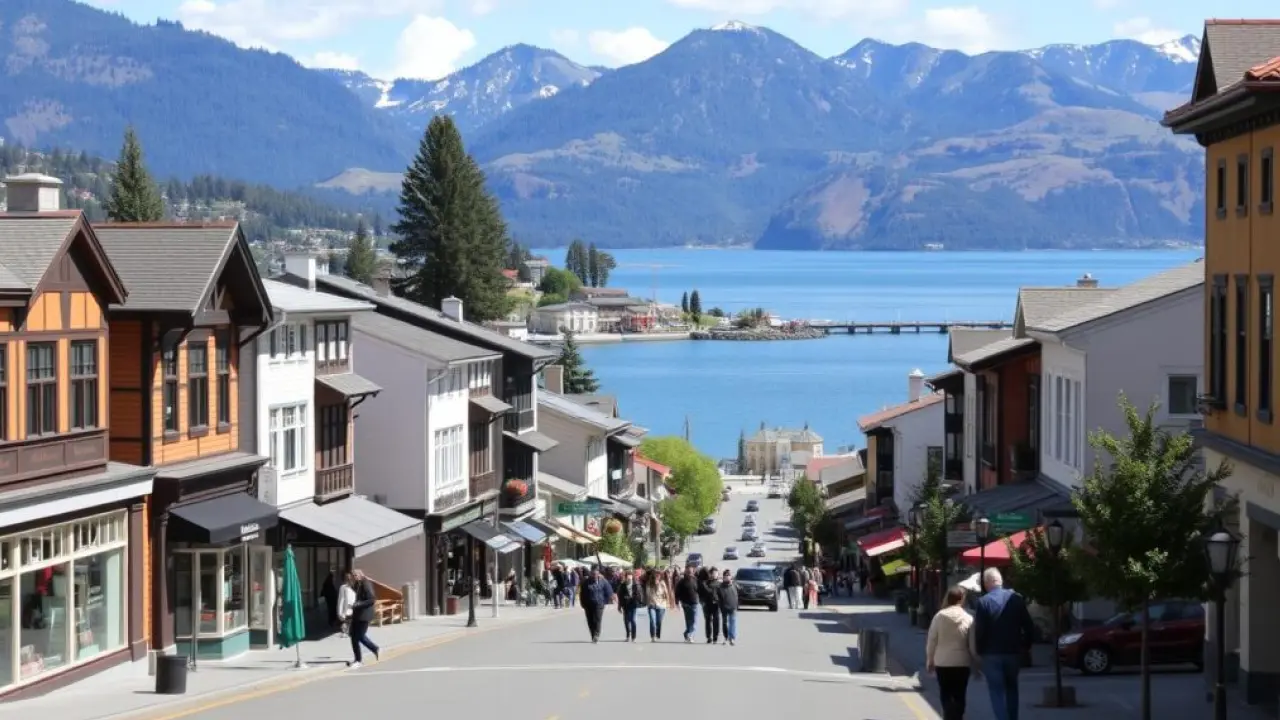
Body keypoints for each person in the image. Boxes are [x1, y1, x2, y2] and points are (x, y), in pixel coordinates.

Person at [971, 568, 1034, 720]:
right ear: (1000, 581)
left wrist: (978, 651)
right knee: (1012, 688)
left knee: (996, 691)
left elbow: (980, 630)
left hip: (991, 654)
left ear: (986, 584)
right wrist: (1026, 646)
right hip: (1013, 652)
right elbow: (1028, 625)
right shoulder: (1016, 598)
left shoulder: (983, 602)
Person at [928, 585, 978, 720]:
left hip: (942, 662)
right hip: (962, 662)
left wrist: (930, 660)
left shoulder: (939, 617)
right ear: (962, 599)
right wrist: (976, 664)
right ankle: (958, 716)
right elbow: (972, 645)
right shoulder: (969, 618)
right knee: (960, 694)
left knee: (945, 693)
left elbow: (932, 640)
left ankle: (949, 716)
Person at [347, 569, 381, 668]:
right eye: (353, 575)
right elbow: (355, 593)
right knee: (353, 636)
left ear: (361, 575)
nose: (354, 577)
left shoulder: (366, 584)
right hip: (357, 615)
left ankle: (375, 648)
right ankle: (357, 659)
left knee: (360, 636)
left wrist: (359, 604)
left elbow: (371, 599)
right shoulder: (358, 584)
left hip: (364, 615)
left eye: (355, 575)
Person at [580, 566, 615, 643]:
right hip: (588, 604)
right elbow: (582, 594)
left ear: (598, 574)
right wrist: (582, 603)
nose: (594, 576)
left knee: (597, 620)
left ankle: (596, 635)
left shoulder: (603, 581)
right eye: (593, 574)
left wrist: (605, 601)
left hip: (599, 604)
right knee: (590, 621)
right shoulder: (586, 582)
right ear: (591, 574)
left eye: (596, 574)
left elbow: (609, 591)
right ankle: (593, 635)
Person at [616, 569, 646, 642]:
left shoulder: (636, 584)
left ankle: (633, 636)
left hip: (633, 604)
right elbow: (620, 596)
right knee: (626, 620)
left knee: (633, 620)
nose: (629, 577)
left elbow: (639, 594)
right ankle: (628, 635)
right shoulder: (622, 585)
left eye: (630, 576)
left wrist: (638, 600)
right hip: (625, 604)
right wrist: (619, 606)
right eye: (628, 576)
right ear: (626, 577)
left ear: (632, 576)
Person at [646, 567, 674, 641]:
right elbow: (647, 594)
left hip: (661, 605)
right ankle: (653, 636)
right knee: (652, 620)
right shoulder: (649, 583)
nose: (657, 575)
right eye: (656, 573)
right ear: (653, 574)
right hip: (651, 605)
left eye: (658, 574)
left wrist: (669, 603)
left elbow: (666, 593)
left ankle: (657, 634)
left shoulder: (662, 583)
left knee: (659, 621)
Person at [674, 565, 700, 643]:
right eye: (688, 571)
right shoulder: (681, 581)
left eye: (691, 571)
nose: (689, 573)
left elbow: (699, 590)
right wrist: (677, 602)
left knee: (694, 620)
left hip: (694, 603)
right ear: (685, 571)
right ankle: (687, 633)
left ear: (693, 571)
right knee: (688, 621)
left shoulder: (696, 580)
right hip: (685, 604)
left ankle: (690, 635)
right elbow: (677, 593)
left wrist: (702, 599)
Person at [699, 567, 722, 644]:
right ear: (710, 574)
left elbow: (723, 595)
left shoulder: (720, 584)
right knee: (708, 621)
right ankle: (709, 637)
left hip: (716, 605)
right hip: (707, 604)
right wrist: (701, 601)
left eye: (716, 573)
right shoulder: (705, 583)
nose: (714, 575)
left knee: (716, 621)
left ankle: (715, 637)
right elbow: (701, 593)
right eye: (713, 573)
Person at [717, 569, 739, 646]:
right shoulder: (720, 587)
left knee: (732, 623)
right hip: (724, 608)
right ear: (723, 577)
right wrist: (719, 606)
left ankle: (732, 638)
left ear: (731, 577)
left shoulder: (734, 586)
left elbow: (737, 596)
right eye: (725, 576)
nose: (727, 577)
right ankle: (726, 637)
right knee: (725, 623)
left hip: (733, 607)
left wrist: (737, 605)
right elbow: (718, 598)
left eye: (728, 575)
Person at [336, 571, 357, 637]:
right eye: (347, 577)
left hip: (354, 607)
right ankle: (345, 631)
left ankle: (349, 631)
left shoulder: (354, 586)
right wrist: (340, 612)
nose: (349, 579)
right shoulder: (343, 587)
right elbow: (341, 600)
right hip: (346, 608)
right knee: (346, 620)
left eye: (350, 577)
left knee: (351, 620)